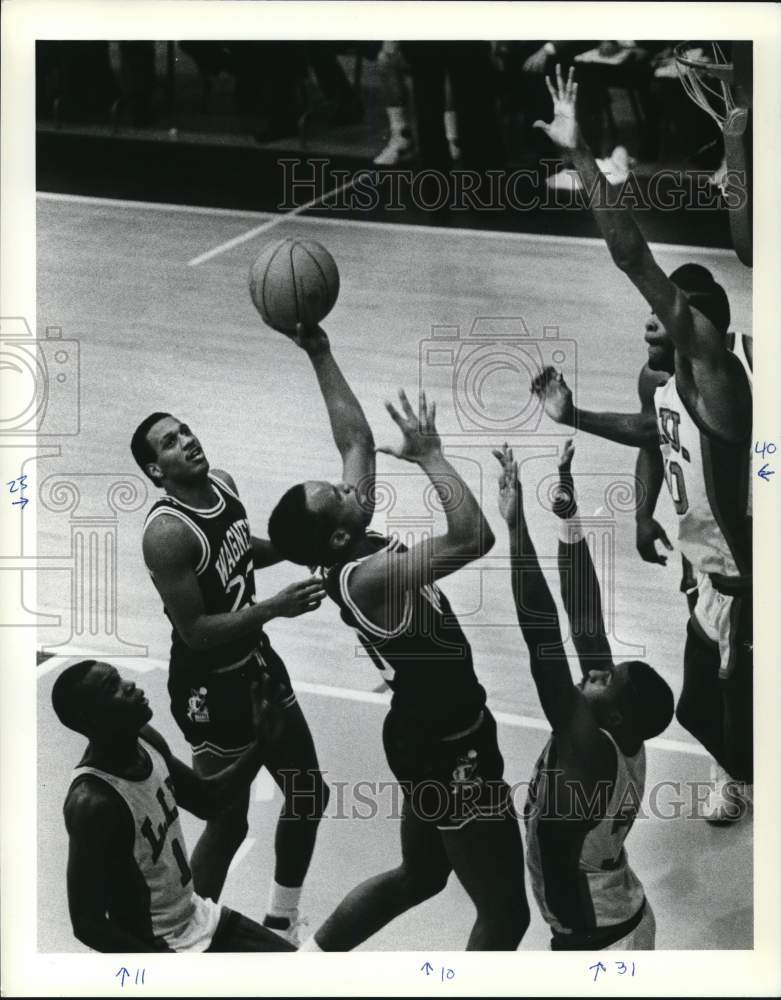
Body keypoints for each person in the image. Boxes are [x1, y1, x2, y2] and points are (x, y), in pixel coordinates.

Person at [532, 66, 753, 824]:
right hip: (706, 572)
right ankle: (739, 771)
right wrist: (577, 419)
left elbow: (632, 257)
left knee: (741, 721)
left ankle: (746, 769)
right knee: (698, 712)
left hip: (751, 585)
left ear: (699, 331)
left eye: (662, 323)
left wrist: (580, 154)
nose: (648, 328)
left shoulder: (719, 378)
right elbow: (653, 433)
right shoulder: (661, 380)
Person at [267, 323, 529, 951]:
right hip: (450, 747)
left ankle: (309, 964)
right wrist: (433, 457)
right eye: (339, 494)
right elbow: (473, 539)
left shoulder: (347, 540)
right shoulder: (368, 577)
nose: (351, 486)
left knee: (420, 876)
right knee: (507, 915)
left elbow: (354, 437)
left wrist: (320, 351)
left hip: (419, 732)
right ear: (336, 535)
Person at [130, 413, 329, 943]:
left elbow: (243, 550)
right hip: (209, 686)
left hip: (256, 664)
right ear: (156, 470)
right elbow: (194, 630)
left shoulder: (225, 485)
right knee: (227, 816)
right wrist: (273, 609)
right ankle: (188, 933)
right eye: (170, 443)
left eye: (186, 431)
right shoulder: (167, 533)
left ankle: (282, 921)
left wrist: (303, 545)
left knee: (309, 793)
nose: (188, 442)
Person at [495, 440, 674, 950]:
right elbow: (585, 618)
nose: (595, 672)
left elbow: (542, 635)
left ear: (614, 714)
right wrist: (568, 517)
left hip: (597, 940)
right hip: (622, 913)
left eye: (605, 679)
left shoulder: (587, 748)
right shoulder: (619, 731)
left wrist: (515, 529)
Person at [52, 659, 295, 952]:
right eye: (112, 687)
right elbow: (88, 924)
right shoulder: (92, 803)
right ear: (90, 718)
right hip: (161, 944)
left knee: (304, 972)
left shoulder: (144, 739)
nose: (129, 685)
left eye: (120, 678)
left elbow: (207, 800)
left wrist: (262, 746)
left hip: (198, 917)